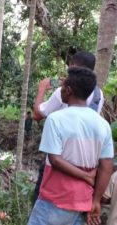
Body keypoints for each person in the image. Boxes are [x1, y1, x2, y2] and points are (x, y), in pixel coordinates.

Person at [27, 67, 114, 225]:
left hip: (54, 198)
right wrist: (95, 201)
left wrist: (85, 176)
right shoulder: (103, 125)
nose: (59, 90)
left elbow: (54, 159)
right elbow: (106, 166)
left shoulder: (55, 119)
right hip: (83, 201)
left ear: (68, 90)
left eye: (62, 87)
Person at [31, 51, 106, 203]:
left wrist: (42, 89)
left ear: (74, 67)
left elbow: (37, 114)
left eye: (70, 65)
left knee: (43, 203)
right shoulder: (99, 95)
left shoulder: (63, 91)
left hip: (60, 160)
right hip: (85, 162)